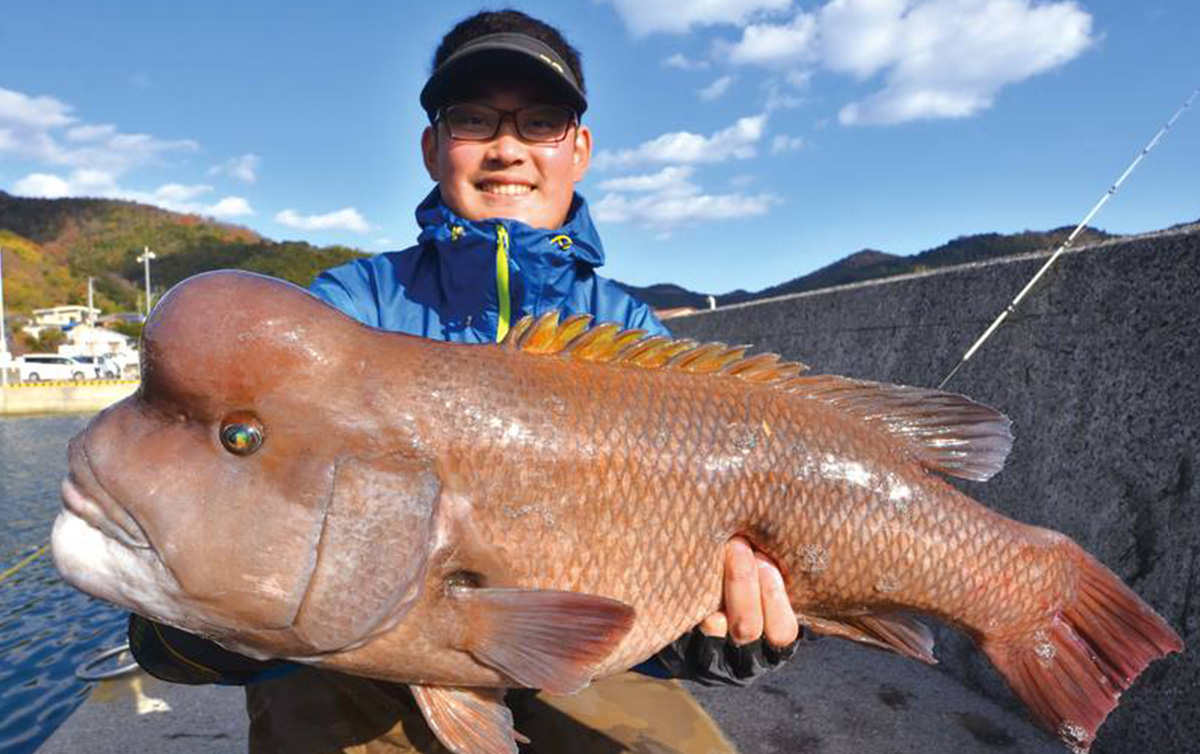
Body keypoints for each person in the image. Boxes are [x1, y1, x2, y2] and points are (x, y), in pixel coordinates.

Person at [129, 10, 800, 752]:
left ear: (579, 149)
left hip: (574, 662)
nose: (507, 148)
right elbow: (234, 477)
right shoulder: (343, 316)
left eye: (541, 123)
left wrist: (701, 638)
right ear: (432, 147)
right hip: (362, 668)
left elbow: (654, 589)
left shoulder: (631, 334)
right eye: (474, 119)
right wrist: (198, 617)